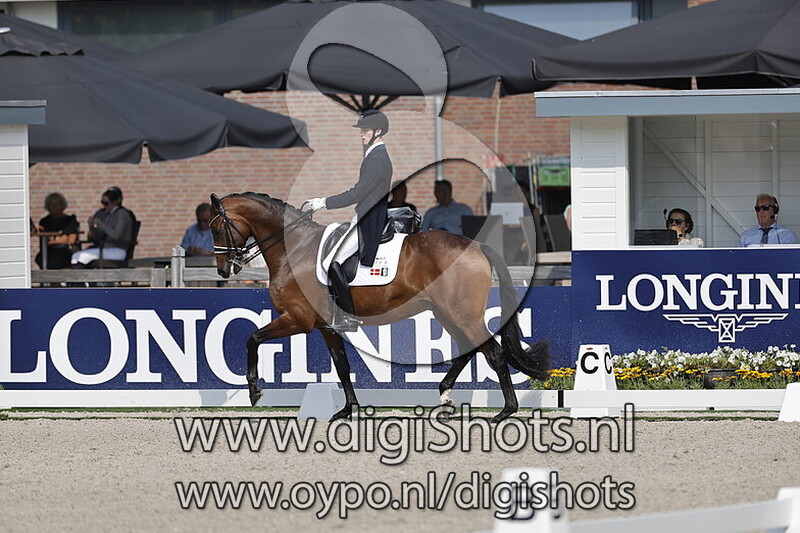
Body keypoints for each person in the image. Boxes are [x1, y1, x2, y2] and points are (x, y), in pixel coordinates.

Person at [305, 109, 393, 332]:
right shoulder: (374, 155)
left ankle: (347, 317)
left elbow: (357, 193)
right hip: (365, 215)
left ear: (378, 131)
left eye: (365, 130)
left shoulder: (377, 158)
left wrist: (324, 202)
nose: (361, 134)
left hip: (368, 220)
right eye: (361, 130)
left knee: (331, 262)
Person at [72, 187, 133, 266]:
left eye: (106, 203)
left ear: (115, 202)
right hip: (106, 248)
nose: (104, 206)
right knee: (76, 256)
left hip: (118, 250)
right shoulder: (109, 214)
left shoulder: (122, 214)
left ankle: (79, 272)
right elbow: (97, 237)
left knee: (83, 257)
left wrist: (101, 224)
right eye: (102, 203)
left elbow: (116, 235)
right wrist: (92, 227)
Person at [34, 192, 79, 269]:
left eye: (57, 203)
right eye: (51, 204)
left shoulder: (70, 220)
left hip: (67, 251)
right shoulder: (45, 221)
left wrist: (55, 239)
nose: (54, 206)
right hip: (49, 252)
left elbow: (71, 240)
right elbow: (46, 241)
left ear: (62, 205)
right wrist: (62, 238)